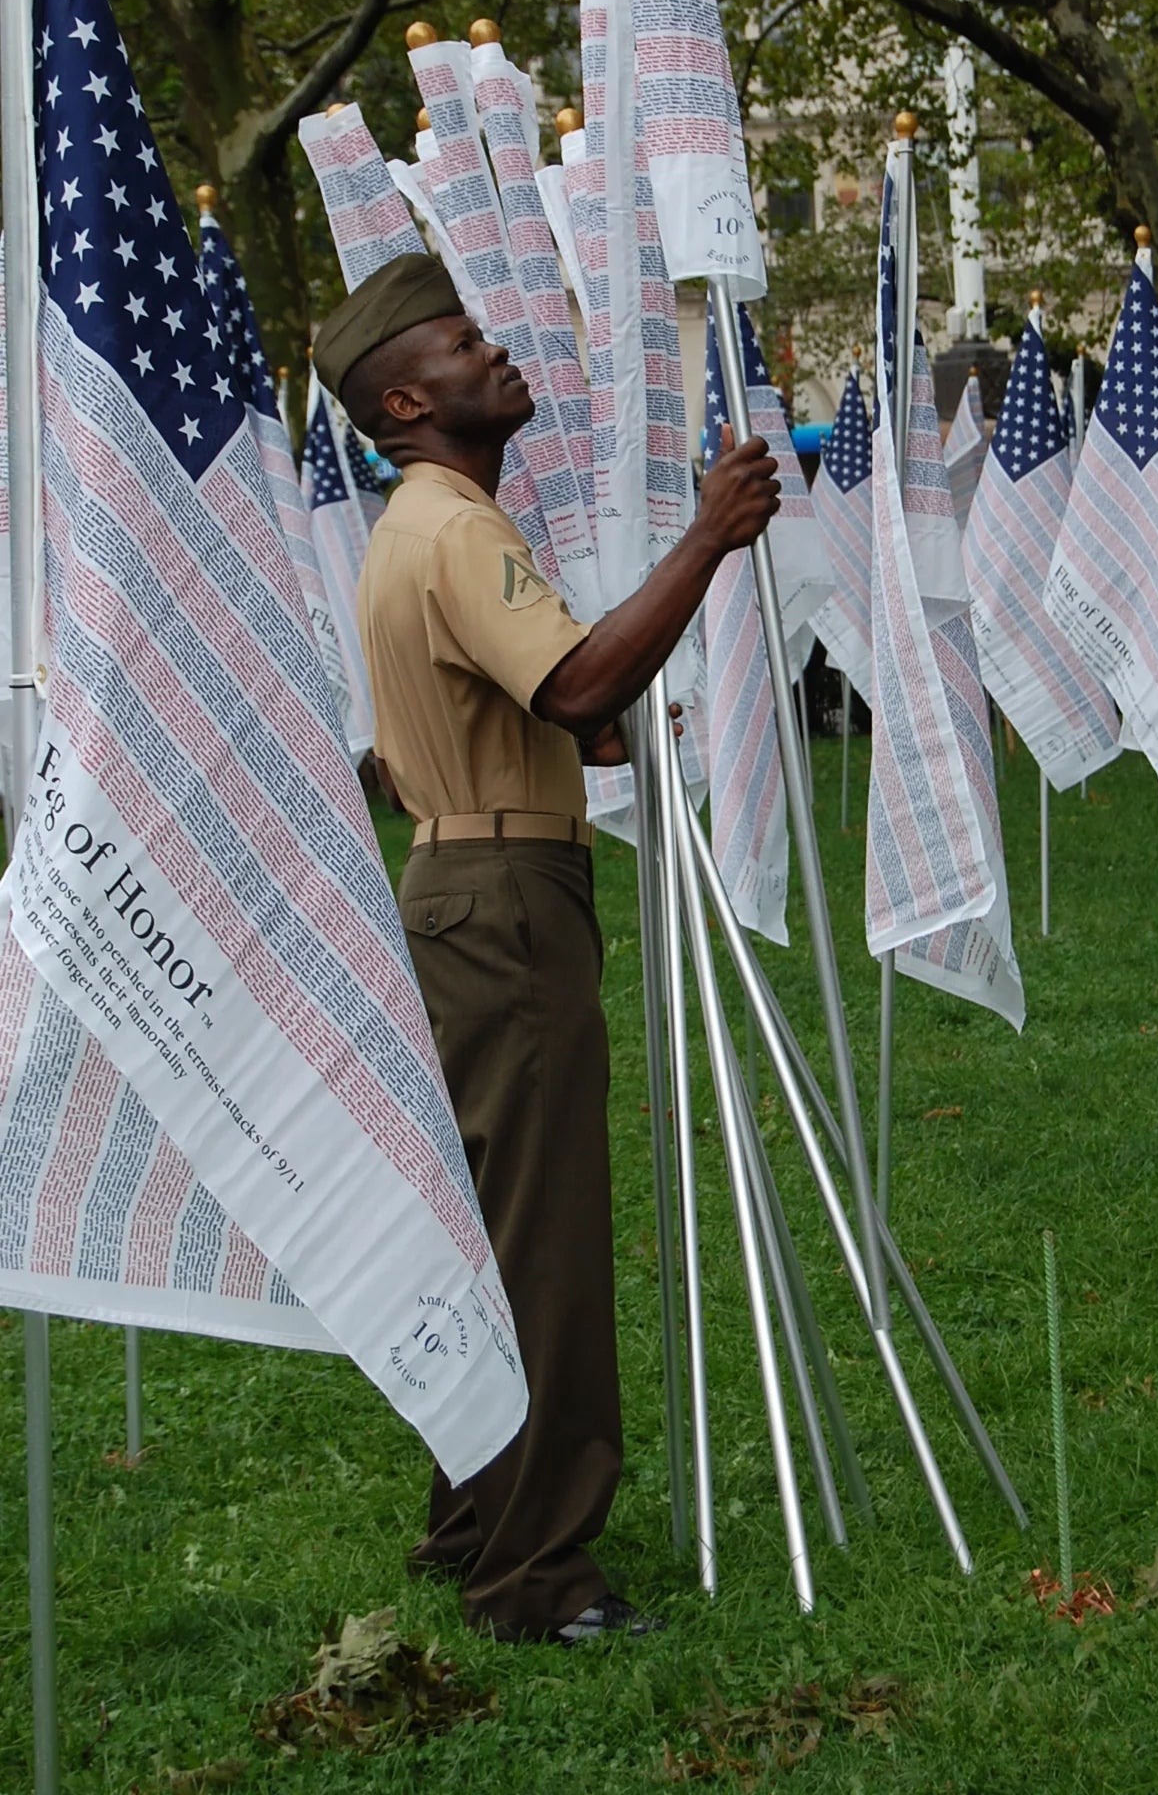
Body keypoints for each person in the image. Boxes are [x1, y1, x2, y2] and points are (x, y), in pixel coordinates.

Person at [311, 251, 779, 1646]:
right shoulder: (456, 528)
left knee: (482, 1230)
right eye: (463, 343)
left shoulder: (420, 526)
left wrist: (576, 719)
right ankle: (542, 1579)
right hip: (508, 900)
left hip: (467, 881)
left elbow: (536, 711)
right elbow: (575, 678)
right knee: (545, 1245)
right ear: (407, 397)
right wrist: (707, 536)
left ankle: (474, 1522)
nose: (496, 352)